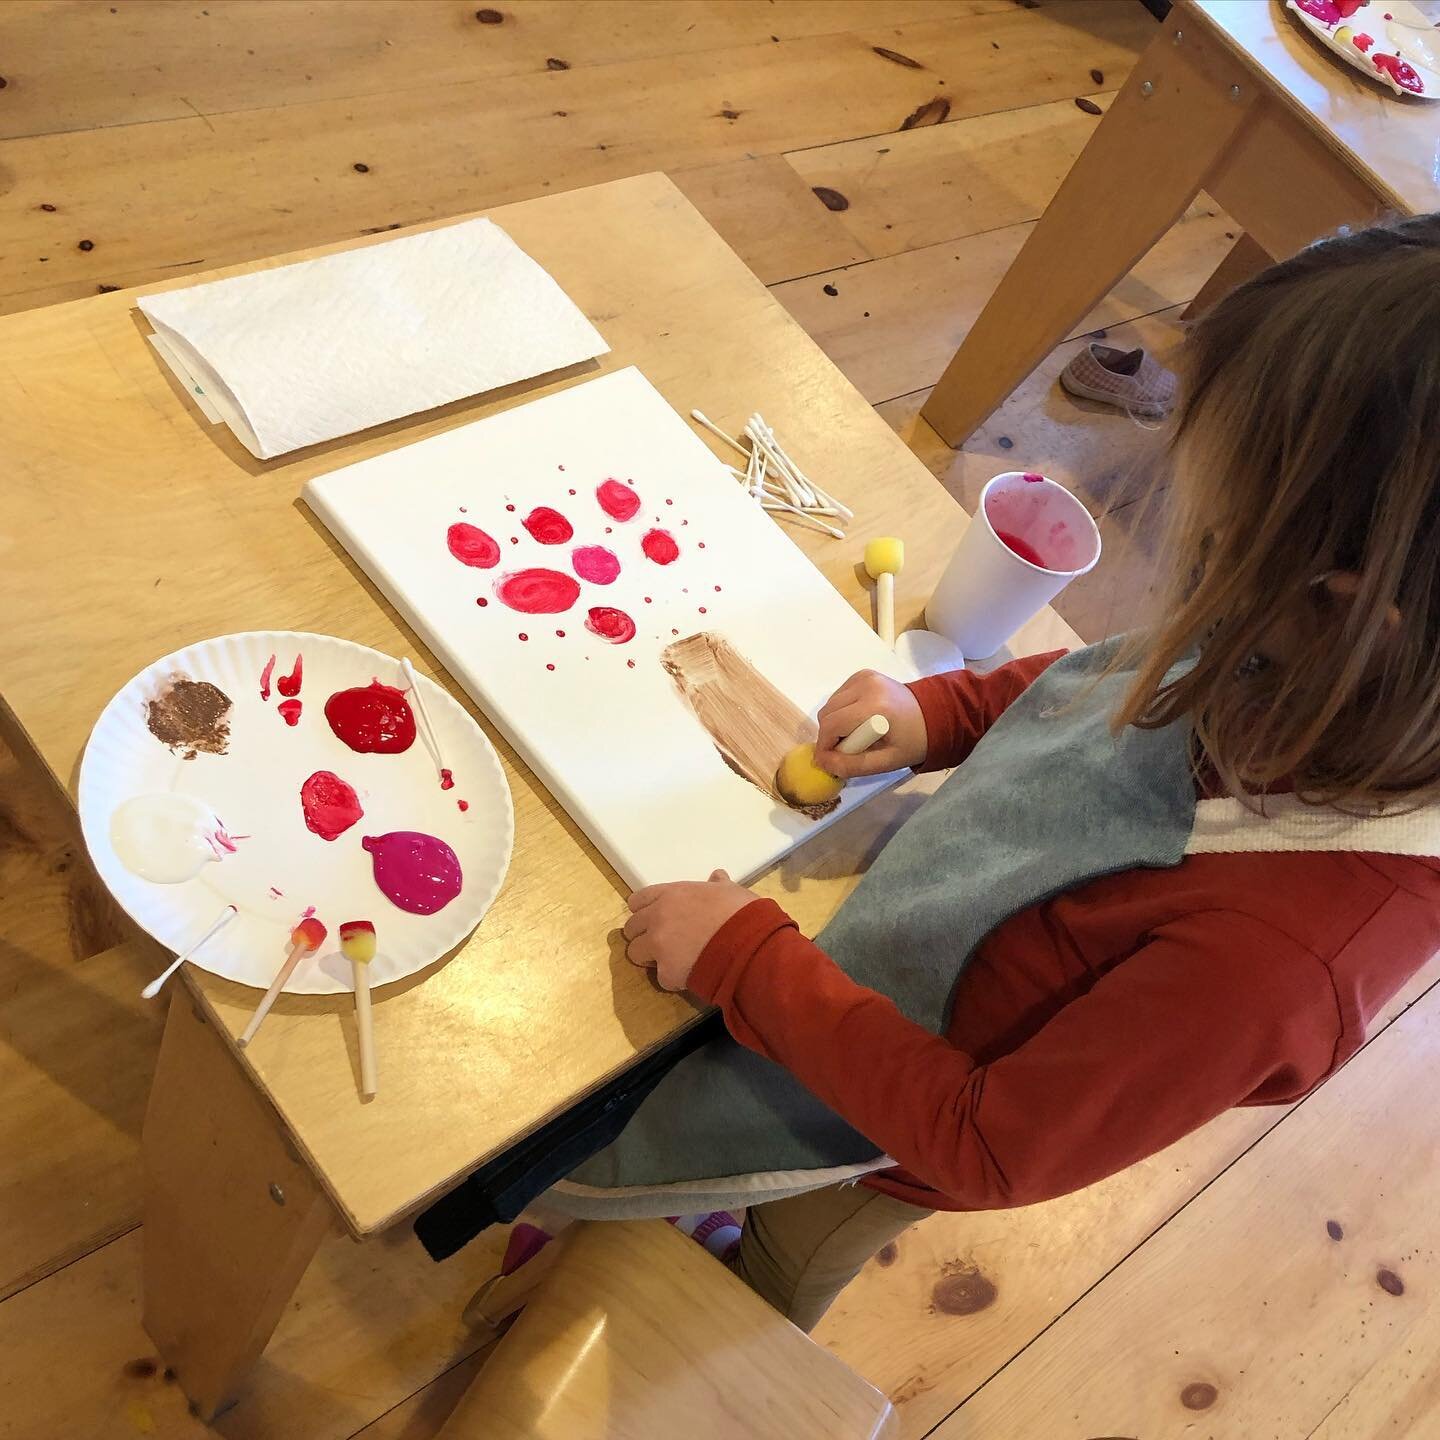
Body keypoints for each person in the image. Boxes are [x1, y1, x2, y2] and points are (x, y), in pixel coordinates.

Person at [621, 215, 1440, 1332]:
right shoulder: (1309, 653)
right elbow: (1104, 681)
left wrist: (747, 963)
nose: (1186, 573)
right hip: (883, 958)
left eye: (1209, 545)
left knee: (765, 1259)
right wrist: (936, 712)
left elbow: (989, 1147)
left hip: (884, 1131)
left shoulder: (1279, 962)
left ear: (1343, 608)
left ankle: (727, 1307)